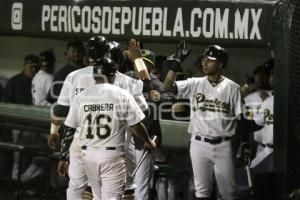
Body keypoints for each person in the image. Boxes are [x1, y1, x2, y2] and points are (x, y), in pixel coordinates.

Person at [48, 36, 149, 199]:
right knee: (121, 190)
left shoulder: (75, 76)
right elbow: (146, 102)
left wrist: (55, 134)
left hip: (82, 142)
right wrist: (137, 59)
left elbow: (60, 111)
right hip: (114, 145)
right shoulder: (124, 81)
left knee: (78, 187)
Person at [63, 57, 156, 199]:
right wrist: (148, 141)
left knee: (97, 197)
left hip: (88, 155)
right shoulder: (122, 94)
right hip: (111, 156)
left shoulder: (81, 96)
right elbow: (136, 125)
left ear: (94, 75)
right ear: (113, 75)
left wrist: (63, 155)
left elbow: (69, 127)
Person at [163, 44, 242, 200]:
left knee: (229, 193)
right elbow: (167, 87)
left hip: (224, 145)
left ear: (220, 64)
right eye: (204, 59)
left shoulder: (233, 88)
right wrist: (176, 62)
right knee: (202, 192)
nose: (205, 63)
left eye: (210, 60)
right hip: (199, 144)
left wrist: (240, 146)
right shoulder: (195, 83)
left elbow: (240, 120)